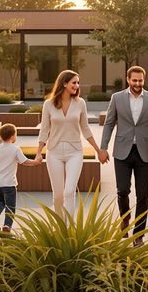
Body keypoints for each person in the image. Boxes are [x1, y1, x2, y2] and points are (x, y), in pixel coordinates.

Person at [99, 65, 148, 245]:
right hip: (122, 151)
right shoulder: (117, 98)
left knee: (143, 194)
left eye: (140, 80)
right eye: (134, 80)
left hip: (144, 152)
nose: (137, 83)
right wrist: (103, 148)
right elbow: (109, 123)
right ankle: (125, 219)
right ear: (128, 80)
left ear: (144, 80)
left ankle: (138, 235)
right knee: (122, 191)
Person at [36, 69, 101, 219]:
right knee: (58, 195)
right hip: (54, 152)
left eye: (78, 83)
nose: (77, 85)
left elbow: (85, 128)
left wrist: (98, 150)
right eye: (74, 82)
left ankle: (69, 228)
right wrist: (39, 152)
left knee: (69, 191)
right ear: (64, 83)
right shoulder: (48, 104)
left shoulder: (80, 104)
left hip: (75, 152)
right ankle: (60, 226)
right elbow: (44, 129)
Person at [0, 123, 41, 232]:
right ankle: (7, 227)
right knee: (10, 207)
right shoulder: (15, 149)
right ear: (12, 136)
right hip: (9, 184)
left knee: (1, 202)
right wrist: (36, 162)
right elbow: (24, 161)